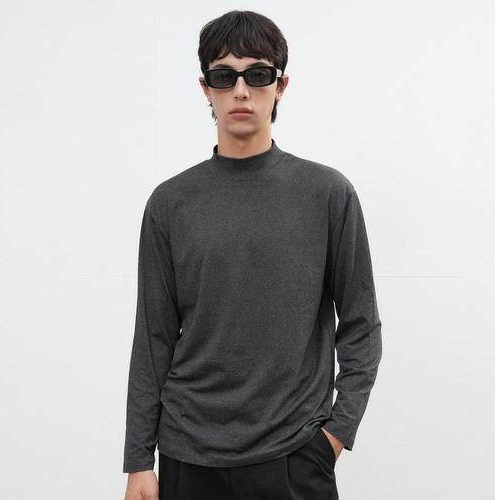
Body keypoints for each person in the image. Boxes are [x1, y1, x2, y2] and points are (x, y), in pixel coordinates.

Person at [123, 9, 382, 500]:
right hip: (187, 455)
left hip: (294, 455)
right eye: (225, 76)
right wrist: (139, 459)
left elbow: (361, 325)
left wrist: (334, 436)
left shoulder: (327, 194)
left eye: (257, 75)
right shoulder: (170, 204)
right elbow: (153, 337)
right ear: (206, 88)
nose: (241, 91)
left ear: (280, 86)